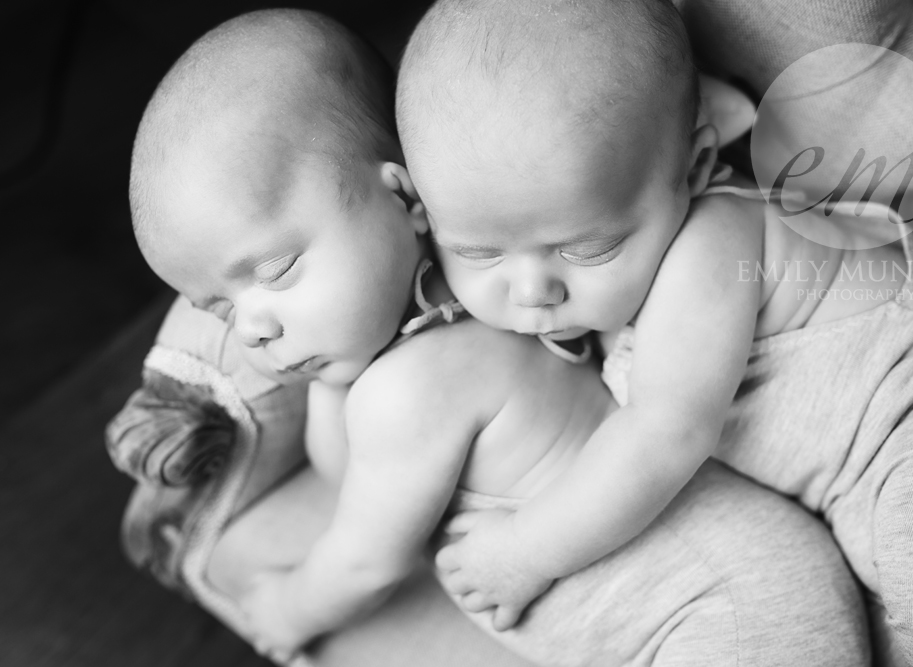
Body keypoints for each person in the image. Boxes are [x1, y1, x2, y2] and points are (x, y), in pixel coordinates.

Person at [128, 8, 871, 666]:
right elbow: (346, 472)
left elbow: (363, 560)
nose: (253, 327)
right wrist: (327, 373)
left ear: (406, 196)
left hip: (722, 610)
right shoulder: (471, 299)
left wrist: (286, 608)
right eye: (219, 310)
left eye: (278, 268)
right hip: (740, 578)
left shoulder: (417, 380)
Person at [396, 1, 913, 665]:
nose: (533, 289)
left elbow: (664, 431)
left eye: (588, 247)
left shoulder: (710, 241)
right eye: (480, 252)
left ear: (694, 168)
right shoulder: (585, 276)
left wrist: (527, 548)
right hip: (852, 481)